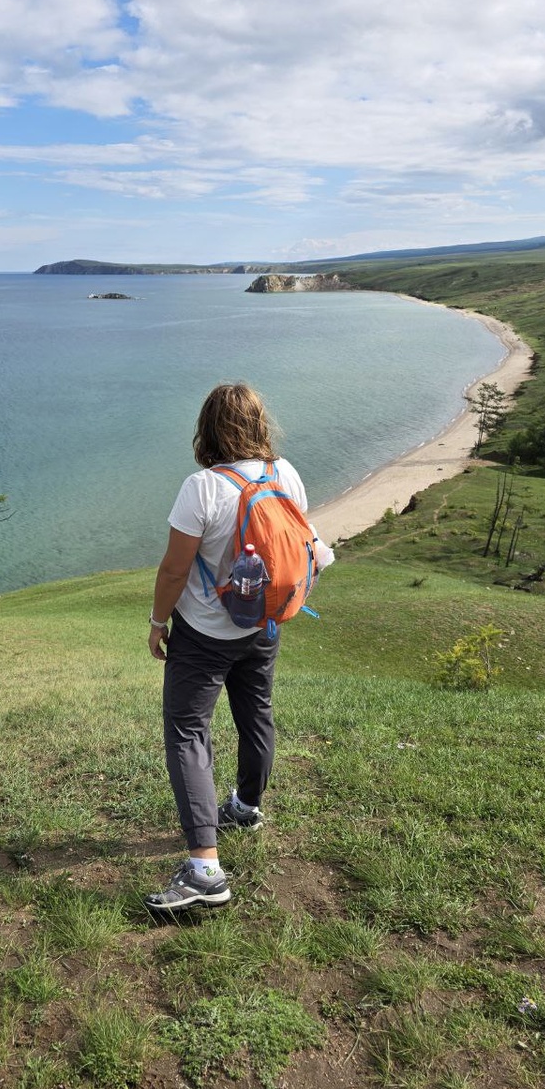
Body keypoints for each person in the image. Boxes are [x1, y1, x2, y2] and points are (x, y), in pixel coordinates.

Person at [144, 382, 312, 912]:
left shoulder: (202, 488)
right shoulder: (284, 473)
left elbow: (173, 569)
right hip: (264, 626)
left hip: (205, 634)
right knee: (256, 713)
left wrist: (156, 621)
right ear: (262, 425)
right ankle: (246, 805)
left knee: (189, 731)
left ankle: (204, 872)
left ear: (208, 428)